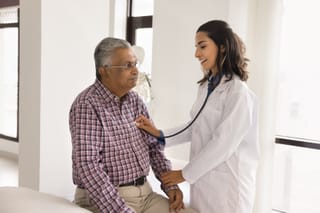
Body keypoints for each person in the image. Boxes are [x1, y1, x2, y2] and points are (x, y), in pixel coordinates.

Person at [135, 20, 259, 213]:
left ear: (223, 47)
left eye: (202, 46)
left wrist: (184, 174)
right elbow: (195, 127)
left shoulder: (238, 93)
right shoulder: (206, 86)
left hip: (229, 185)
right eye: (196, 47)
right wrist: (158, 134)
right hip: (205, 181)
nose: (196, 54)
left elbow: (223, 144)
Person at [69, 37, 198, 213]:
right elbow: (88, 165)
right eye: (127, 66)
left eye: (135, 64)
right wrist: (121, 210)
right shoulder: (87, 105)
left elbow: (154, 148)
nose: (135, 71)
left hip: (145, 195)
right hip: (107, 199)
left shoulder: (135, 101)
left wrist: (171, 187)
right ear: (104, 71)